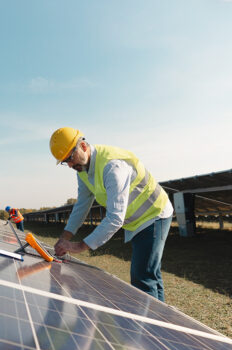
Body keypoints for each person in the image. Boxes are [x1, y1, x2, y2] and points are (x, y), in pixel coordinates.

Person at [50, 127, 174, 302]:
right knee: (149, 274)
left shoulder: (112, 166)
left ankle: (150, 326)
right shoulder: (83, 170)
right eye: (65, 162)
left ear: (83, 146)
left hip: (154, 215)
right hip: (136, 222)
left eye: (70, 158)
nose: (70, 165)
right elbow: (82, 206)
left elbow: (115, 218)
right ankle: (165, 324)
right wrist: (64, 237)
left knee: (142, 277)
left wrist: (79, 246)